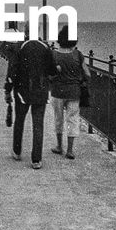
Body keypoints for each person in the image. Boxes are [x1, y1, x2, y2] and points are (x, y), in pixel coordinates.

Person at [4, 28, 58, 169]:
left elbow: (12, 70)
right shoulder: (46, 47)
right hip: (41, 91)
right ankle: (36, 160)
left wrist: (7, 90)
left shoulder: (20, 46)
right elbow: (52, 70)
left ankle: (17, 151)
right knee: (38, 125)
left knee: (20, 120)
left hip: (22, 91)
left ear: (26, 32)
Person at [49, 27, 86, 159]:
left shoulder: (54, 54)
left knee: (58, 119)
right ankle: (70, 150)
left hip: (57, 91)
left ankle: (59, 146)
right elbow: (87, 74)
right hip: (74, 92)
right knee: (73, 119)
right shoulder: (78, 55)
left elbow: (50, 74)